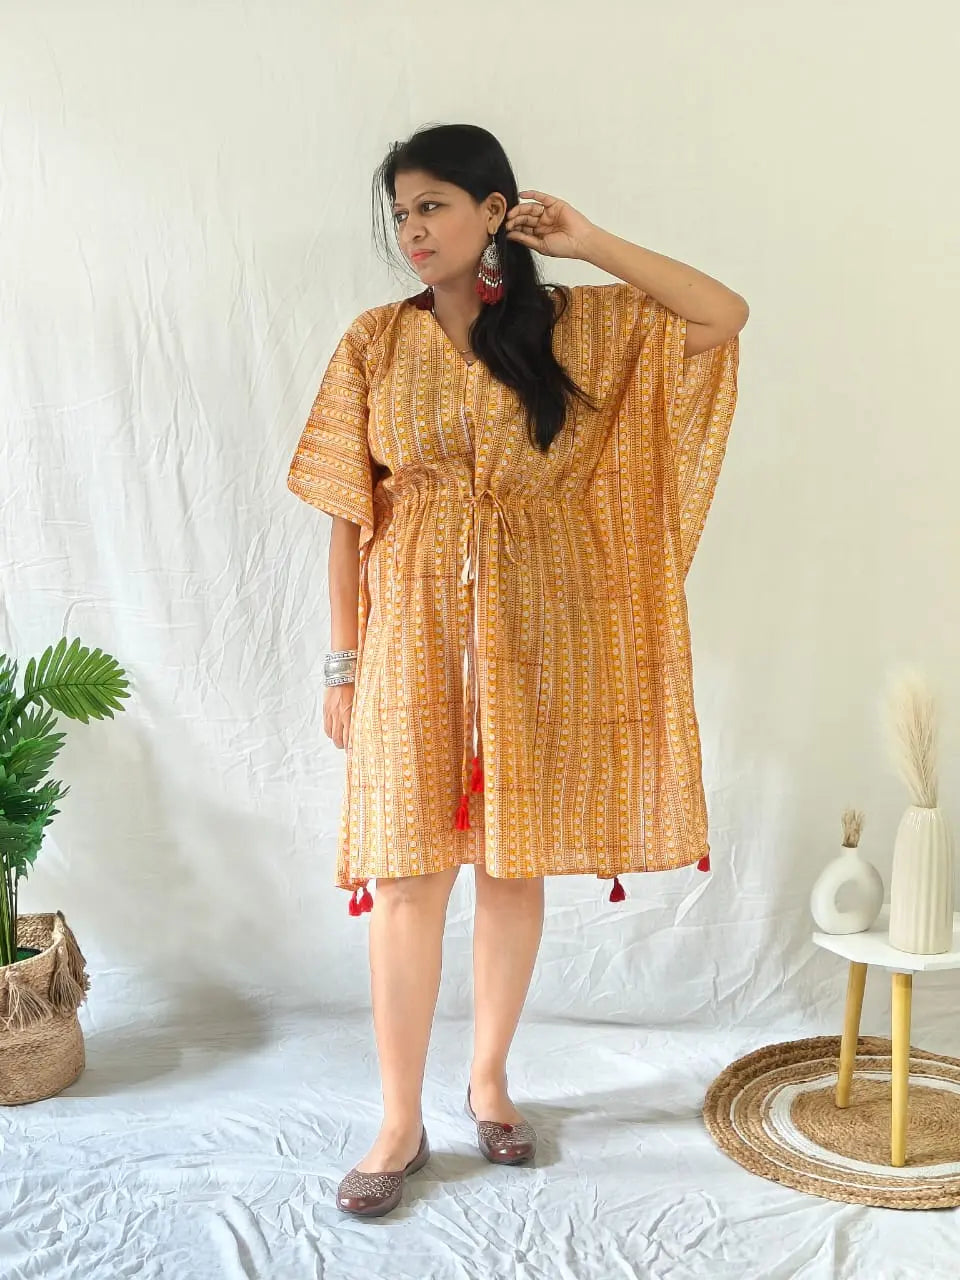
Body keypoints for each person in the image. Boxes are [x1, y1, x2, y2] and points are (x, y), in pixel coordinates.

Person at [286, 123, 747, 1218]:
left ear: (495, 210)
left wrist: (589, 240)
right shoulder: (371, 344)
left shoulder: (579, 326)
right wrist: (340, 663)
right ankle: (398, 1118)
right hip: (408, 632)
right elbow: (347, 516)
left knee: (510, 861)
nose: (414, 230)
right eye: (401, 212)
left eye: (435, 205)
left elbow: (720, 316)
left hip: (543, 631)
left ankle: (489, 1079)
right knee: (403, 876)